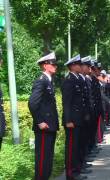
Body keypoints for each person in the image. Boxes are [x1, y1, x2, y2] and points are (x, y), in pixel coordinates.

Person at [28, 52, 59, 180]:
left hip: (50, 126)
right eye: (53, 64)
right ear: (45, 66)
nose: (56, 66)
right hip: (44, 127)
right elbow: (32, 103)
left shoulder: (49, 81)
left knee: (48, 158)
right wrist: (40, 121)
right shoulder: (41, 81)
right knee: (42, 159)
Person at [61, 54, 87, 180]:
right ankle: (70, 174)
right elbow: (66, 102)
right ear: (72, 66)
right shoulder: (68, 81)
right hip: (72, 120)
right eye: (78, 64)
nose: (80, 66)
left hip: (78, 119)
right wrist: (68, 120)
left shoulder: (76, 79)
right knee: (71, 147)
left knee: (76, 146)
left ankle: (76, 171)